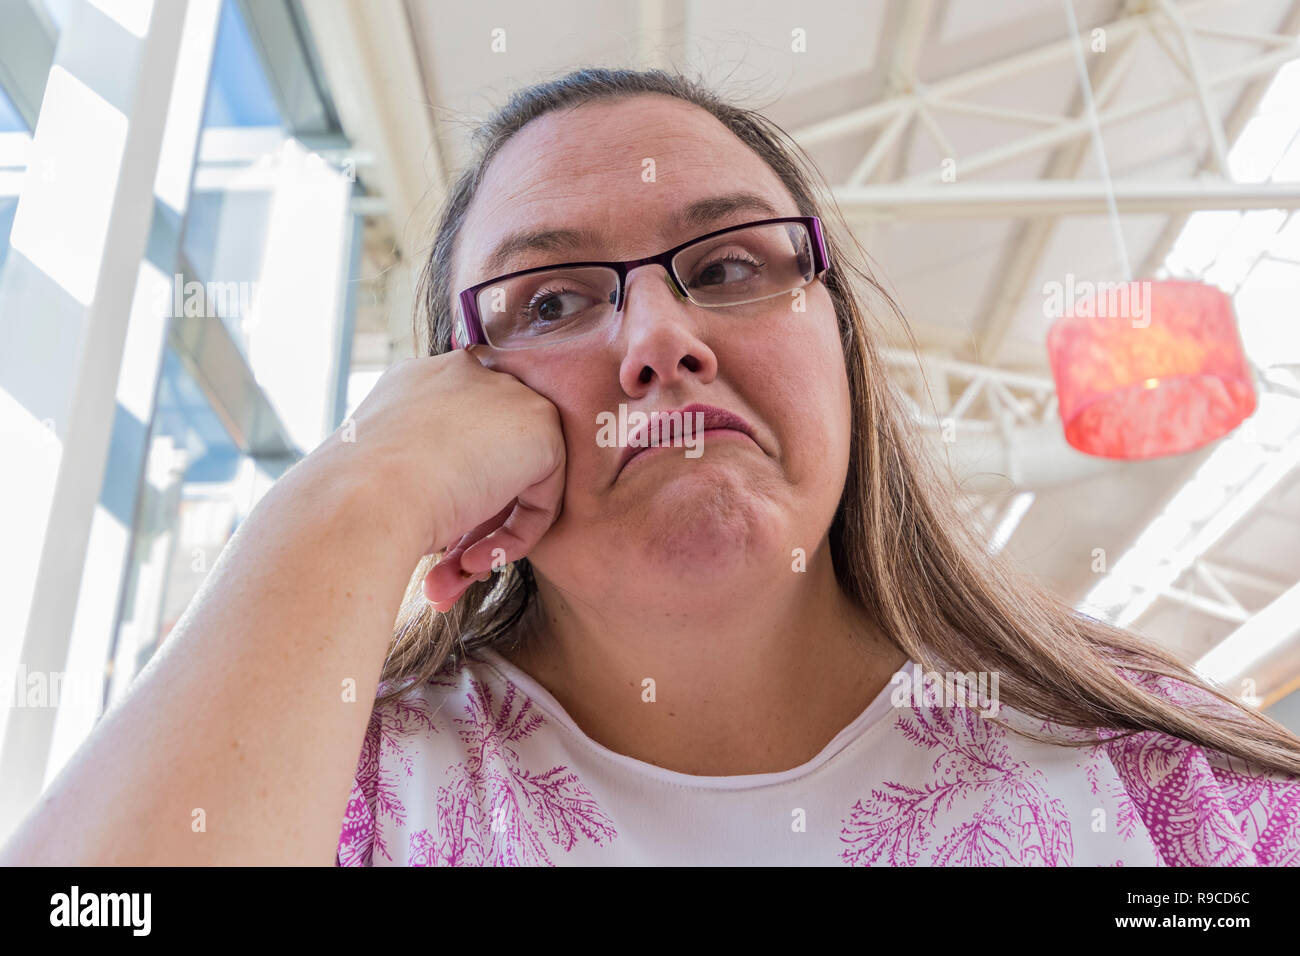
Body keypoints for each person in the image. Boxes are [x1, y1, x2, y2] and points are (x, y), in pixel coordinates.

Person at [3, 68, 1298, 867]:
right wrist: (354, 501)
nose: (659, 339)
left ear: (839, 340)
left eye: (730, 266)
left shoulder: (1164, 782)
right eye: (553, 300)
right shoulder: (323, 785)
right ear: (452, 395)